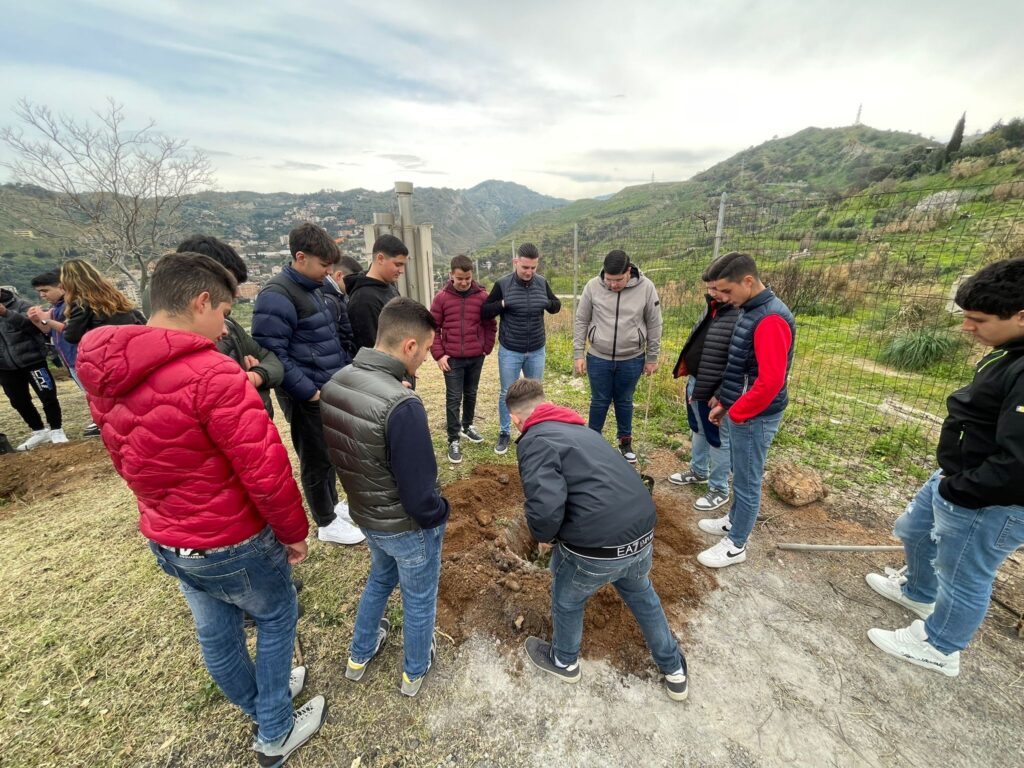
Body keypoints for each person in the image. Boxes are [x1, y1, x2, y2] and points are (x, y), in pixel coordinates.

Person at [75, 252, 326, 766]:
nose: (224, 327)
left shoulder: (102, 371)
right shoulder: (211, 372)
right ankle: (275, 729)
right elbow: (264, 467)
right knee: (277, 616)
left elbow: (122, 455)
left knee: (216, 630)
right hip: (232, 539)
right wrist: (293, 531)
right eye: (224, 313)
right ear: (201, 301)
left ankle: (262, 702)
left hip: (168, 536)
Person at [864, 257, 1024, 678]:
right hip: (960, 479)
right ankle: (918, 592)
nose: (966, 328)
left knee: (964, 575)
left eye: (978, 319)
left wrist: (961, 491)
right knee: (914, 530)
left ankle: (940, 646)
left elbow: (1018, 464)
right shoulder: (1007, 351)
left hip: (989, 500)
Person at [506, 378, 688, 701]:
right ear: (546, 404)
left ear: (517, 420)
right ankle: (674, 670)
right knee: (641, 592)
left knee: (567, 597)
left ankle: (564, 661)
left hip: (597, 549)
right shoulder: (582, 430)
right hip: (642, 534)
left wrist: (544, 537)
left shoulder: (534, 441)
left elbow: (546, 508)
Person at [321, 297, 449, 698]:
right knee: (419, 597)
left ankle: (359, 654)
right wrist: (440, 512)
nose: (428, 358)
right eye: (427, 349)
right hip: (406, 527)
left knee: (380, 578)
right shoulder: (402, 404)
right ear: (409, 345)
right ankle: (415, 670)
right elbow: (419, 492)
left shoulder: (336, 381)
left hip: (366, 514)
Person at [252, 222, 362, 545]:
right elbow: (273, 353)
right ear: (300, 257)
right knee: (314, 457)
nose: (329, 271)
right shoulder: (277, 295)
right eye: (323, 265)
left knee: (330, 453)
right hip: (306, 395)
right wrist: (309, 391)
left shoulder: (317, 287)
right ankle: (325, 521)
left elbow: (329, 337)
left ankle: (332, 504)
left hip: (328, 387)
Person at [699, 253, 795, 569]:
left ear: (748, 281)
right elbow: (743, 368)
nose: (721, 298)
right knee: (740, 473)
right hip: (743, 410)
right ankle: (733, 520)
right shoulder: (750, 310)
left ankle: (736, 544)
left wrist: (738, 413)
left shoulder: (770, 320)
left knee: (748, 479)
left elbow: (769, 382)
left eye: (725, 291)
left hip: (756, 415)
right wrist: (727, 402)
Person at [176, 235, 285, 417]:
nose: (235, 293)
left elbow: (273, 362)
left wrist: (254, 377)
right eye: (228, 283)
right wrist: (243, 383)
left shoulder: (229, 326)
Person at [573, 249, 662, 463]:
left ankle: (625, 442)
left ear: (629, 271)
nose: (613, 285)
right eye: (609, 280)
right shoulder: (592, 286)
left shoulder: (647, 287)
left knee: (624, 401)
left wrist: (652, 357)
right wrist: (578, 353)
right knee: (599, 401)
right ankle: (593, 441)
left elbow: (654, 323)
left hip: (632, 358)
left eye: (618, 280)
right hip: (598, 356)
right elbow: (581, 320)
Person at [668, 259, 740, 512]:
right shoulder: (714, 307)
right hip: (698, 382)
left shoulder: (740, 314)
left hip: (717, 391)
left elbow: (739, 362)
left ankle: (719, 488)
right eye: (709, 288)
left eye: (716, 288)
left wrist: (720, 394)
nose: (711, 293)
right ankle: (699, 471)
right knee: (697, 429)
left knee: (718, 438)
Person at [482, 243, 561, 455]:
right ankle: (504, 432)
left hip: (536, 349)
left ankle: (533, 431)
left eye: (533, 268)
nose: (529, 272)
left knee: (535, 393)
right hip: (510, 350)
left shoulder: (542, 283)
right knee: (506, 392)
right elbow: (486, 311)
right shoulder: (502, 284)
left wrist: (547, 302)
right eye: (525, 267)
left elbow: (556, 305)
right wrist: (504, 303)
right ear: (516, 262)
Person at [430, 254, 497, 463]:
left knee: (471, 393)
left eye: (468, 278)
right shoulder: (441, 298)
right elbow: (433, 328)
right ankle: (453, 439)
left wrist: (485, 347)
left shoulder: (482, 297)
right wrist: (439, 355)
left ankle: (468, 426)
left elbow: (490, 325)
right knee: (453, 398)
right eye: (460, 278)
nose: (464, 282)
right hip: (452, 360)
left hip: (476, 357)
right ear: (451, 275)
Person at [27, 271, 101, 438]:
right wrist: (38, 321)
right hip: (70, 359)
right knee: (88, 392)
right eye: (39, 292)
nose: (42, 295)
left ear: (60, 286)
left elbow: (68, 330)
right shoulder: (56, 307)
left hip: (82, 357)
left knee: (95, 391)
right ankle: (100, 420)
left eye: (45, 290)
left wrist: (46, 320)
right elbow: (49, 330)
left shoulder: (73, 304)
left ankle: (103, 421)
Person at [0, 285, 66, 449]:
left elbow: (34, 327)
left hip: (33, 359)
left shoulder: (21, 304)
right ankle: (39, 431)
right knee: (18, 401)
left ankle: (57, 429)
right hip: (5, 365)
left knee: (47, 395)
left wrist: (6, 313)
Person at [58, 260, 145, 345]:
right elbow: (140, 319)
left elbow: (72, 337)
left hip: (113, 350)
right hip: (135, 343)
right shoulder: (114, 296)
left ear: (68, 282)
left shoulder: (81, 304)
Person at [345, 235, 407, 352]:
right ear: (380, 259)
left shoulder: (389, 286)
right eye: (397, 264)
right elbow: (371, 350)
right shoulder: (363, 299)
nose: (402, 271)